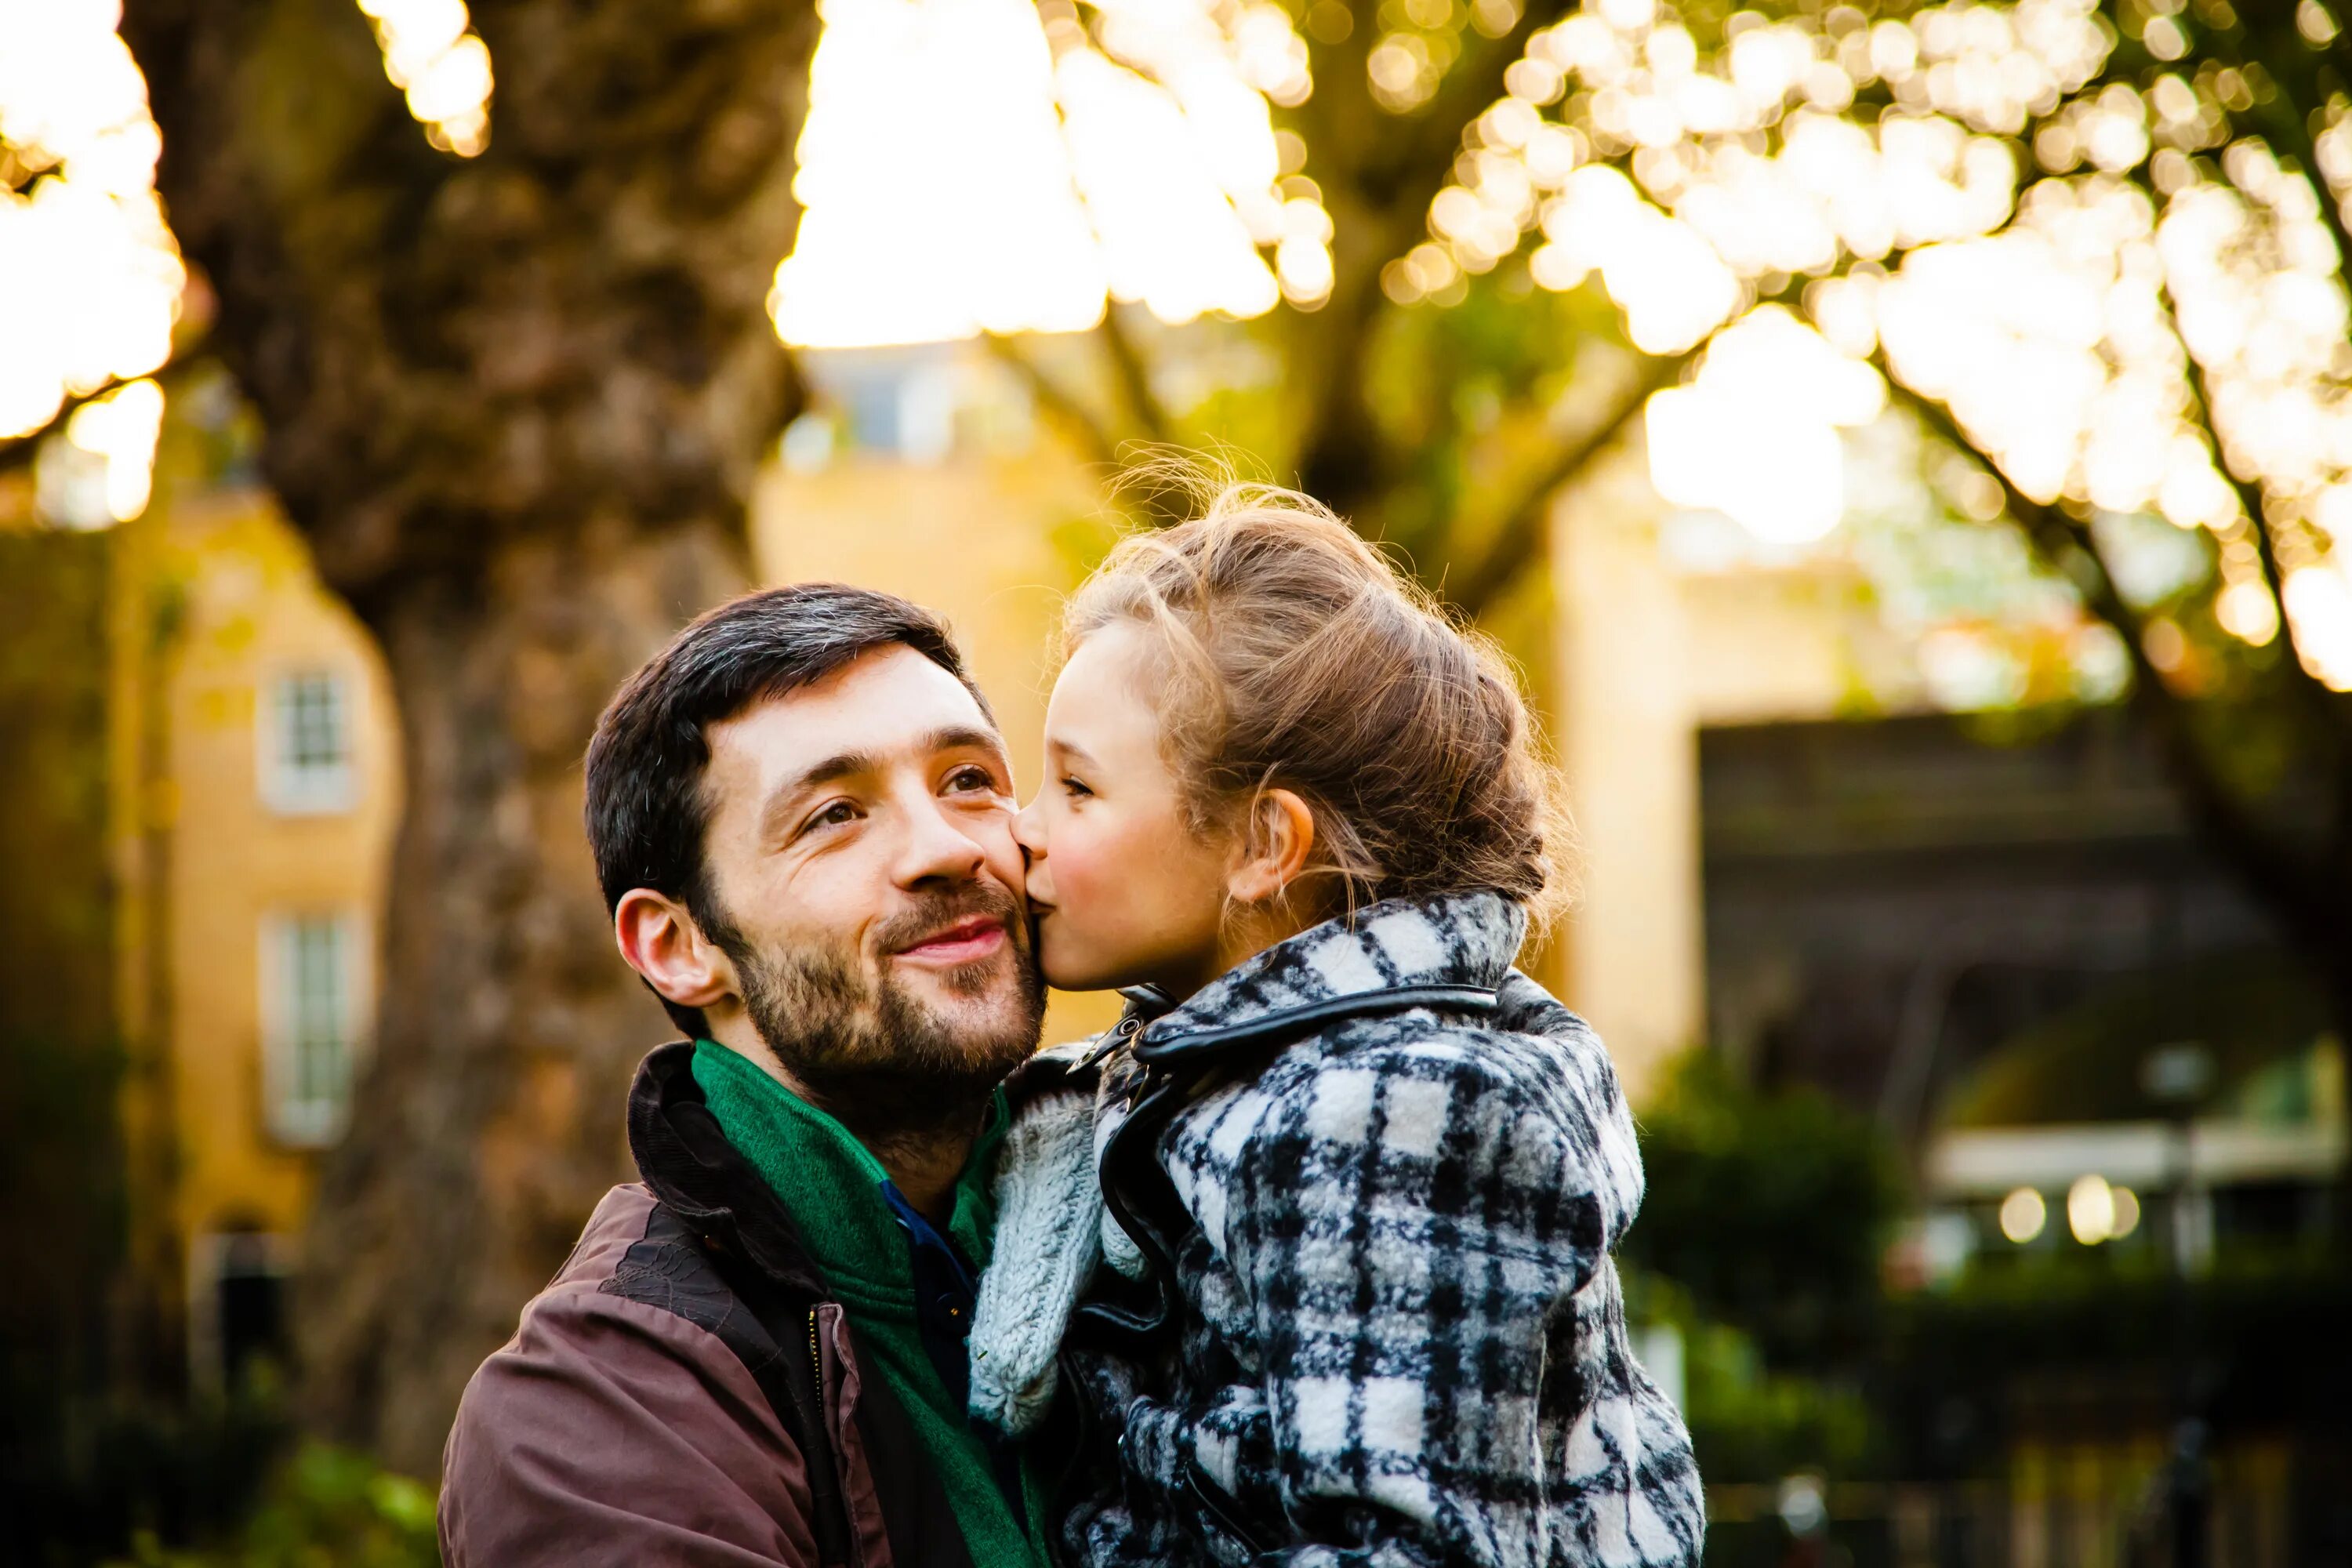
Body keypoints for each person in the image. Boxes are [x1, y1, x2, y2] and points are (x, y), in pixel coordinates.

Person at [965, 482, 1705, 1567]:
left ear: (1264, 844)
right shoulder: (1220, 1068)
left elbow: (1408, 1547)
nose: (1024, 828)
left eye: (1076, 787)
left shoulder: (1391, 1112)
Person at [439, 584, 1056, 1568]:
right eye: (835, 814)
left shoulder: (1156, 1227)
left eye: (970, 779)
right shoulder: (600, 1410)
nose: (947, 846)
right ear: (680, 944)